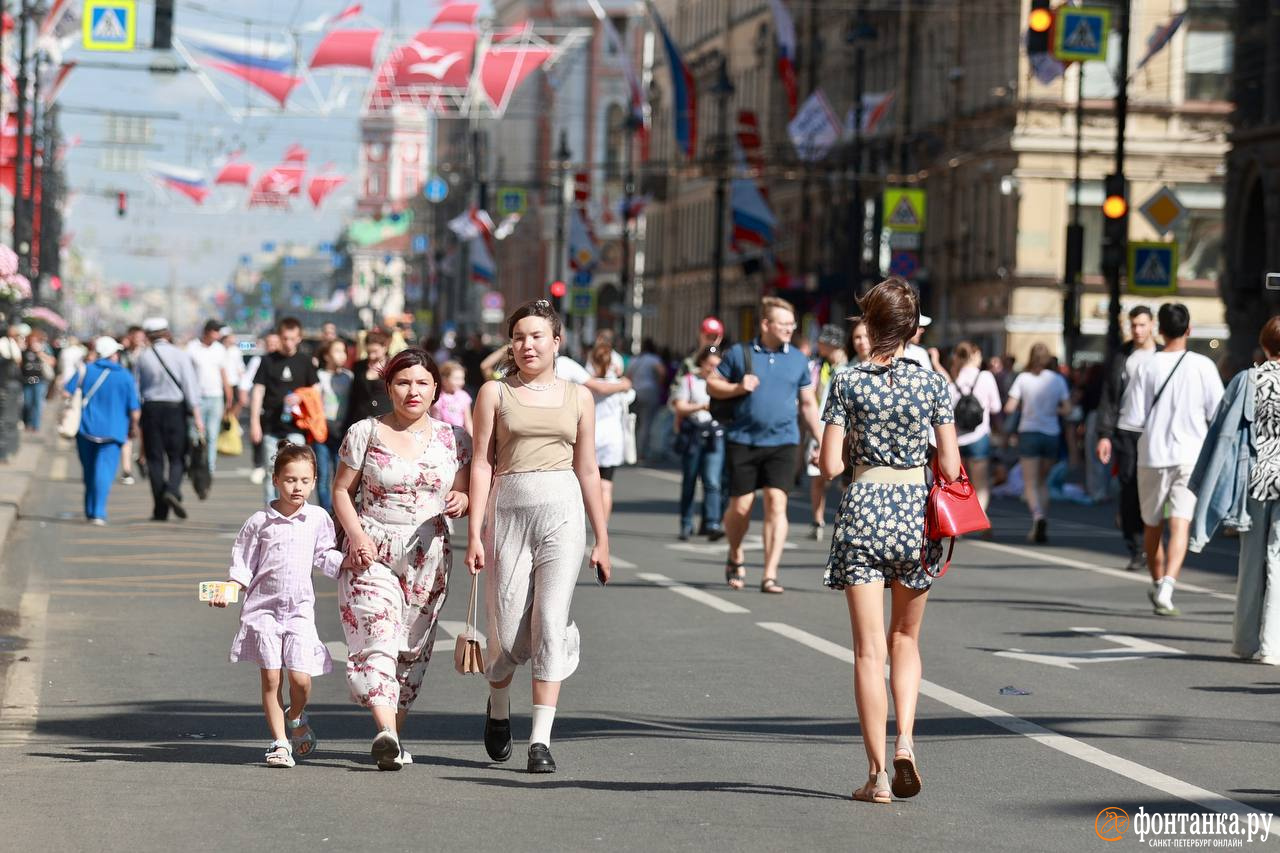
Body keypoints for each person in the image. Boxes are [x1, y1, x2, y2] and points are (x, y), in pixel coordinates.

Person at [817, 278, 960, 804]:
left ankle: (876, 777)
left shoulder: (849, 382)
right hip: (913, 517)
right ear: (911, 329)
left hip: (863, 513)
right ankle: (905, 744)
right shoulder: (932, 385)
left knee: (866, 650)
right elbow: (949, 463)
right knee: (906, 641)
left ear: (870, 325)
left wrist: (852, 448)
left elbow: (830, 464)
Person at [466, 299, 611, 774]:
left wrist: (602, 539)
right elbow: (483, 462)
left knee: (550, 620)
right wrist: (473, 532)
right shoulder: (494, 393)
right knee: (507, 631)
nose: (528, 345)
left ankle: (540, 740)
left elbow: (588, 468)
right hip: (508, 508)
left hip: (562, 511)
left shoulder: (579, 396)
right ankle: (500, 707)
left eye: (537, 336)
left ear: (556, 342)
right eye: (520, 337)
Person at [331, 348, 472, 770]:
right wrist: (355, 536)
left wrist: (461, 499)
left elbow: (465, 490)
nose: (413, 391)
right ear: (389, 387)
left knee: (412, 650)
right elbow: (341, 491)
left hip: (429, 555)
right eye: (403, 382)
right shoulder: (365, 433)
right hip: (371, 548)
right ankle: (386, 731)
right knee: (377, 635)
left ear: (436, 389)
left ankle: (393, 737)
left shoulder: (454, 439)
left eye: (422, 383)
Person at [209, 443, 342, 769]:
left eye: (305, 480)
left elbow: (325, 556)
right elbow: (242, 563)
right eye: (290, 479)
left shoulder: (317, 518)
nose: (297, 487)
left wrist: (353, 564)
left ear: (314, 482)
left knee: (301, 680)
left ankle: (295, 716)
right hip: (262, 611)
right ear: (275, 480)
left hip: (299, 611)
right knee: (271, 680)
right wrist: (230, 587)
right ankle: (280, 742)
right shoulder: (259, 522)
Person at [707, 296, 821, 594]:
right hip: (743, 440)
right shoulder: (739, 353)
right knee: (741, 508)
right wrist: (737, 387)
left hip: (783, 442)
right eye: (783, 324)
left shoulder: (798, 359)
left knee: (776, 502)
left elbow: (808, 403)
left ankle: (770, 574)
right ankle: (735, 554)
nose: (789, 328)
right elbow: (711, 384)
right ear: (765, 324)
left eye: (791, 324)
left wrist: (822, 439)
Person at [1119, 303, 1224, 617]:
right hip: (1190, 454)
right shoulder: (1204, 366)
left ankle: (1156, 580)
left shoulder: (1147, 367)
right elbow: (1217, 413)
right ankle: (1168, 585)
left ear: (1159, 330)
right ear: (1189, 330)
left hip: (1152, 454)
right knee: (1181, 523)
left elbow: (1133, 418)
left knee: (1153, 524)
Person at [1096, 306, 1160, 571]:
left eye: (1142, 325)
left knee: (1152, 491)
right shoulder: (1123, 355)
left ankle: (1153, 543)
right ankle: (1137, 548)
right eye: (1134, 325)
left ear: (1153, 325)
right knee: (1129, 488)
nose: (1137, 330)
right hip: (1126, 429)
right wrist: (1104, 436)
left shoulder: (1163, 355)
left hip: (1155, 432)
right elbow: (1109, 396)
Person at [134, 317, 204, 522]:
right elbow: (191, 388)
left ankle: (160, 510)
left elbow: (136, 390)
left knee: (155, 459)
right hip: (176, 410)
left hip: (151, 410)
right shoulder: (180, 355)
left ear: (148, 336)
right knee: (177, 456)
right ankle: (172, 490)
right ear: (167, 334)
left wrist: (136, 419)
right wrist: (198, 417)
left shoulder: (143, 357)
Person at [64, 337, 140, 524]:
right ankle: (98, 513)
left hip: (85, 429)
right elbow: (135, 409)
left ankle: (90, 509)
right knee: (104, 473)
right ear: (113, 354)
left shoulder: (85, 370)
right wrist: (134, 426)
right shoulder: (125, 376)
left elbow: (67, 391)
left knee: (89, 472)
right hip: (113, 432)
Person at [1004, 342, 1071, 543]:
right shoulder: (1057, 380)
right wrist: (1052, 410)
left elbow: (1009, 407)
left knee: (1030, 483)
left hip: (1029, 431)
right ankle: (1040, 522)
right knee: (1043, 482)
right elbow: (1067, 409)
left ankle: (1038, 517)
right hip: (1051, 433)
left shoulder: (1023, 379)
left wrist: (1027, 407)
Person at [250, 317, 320, 503]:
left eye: (292, 338)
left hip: (296, 427)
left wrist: (301, 396)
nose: (288, 342)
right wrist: (254, 422)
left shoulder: (305, 362)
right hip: (271, 426)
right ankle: (270, 513)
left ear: (299, 338)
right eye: (285, 338)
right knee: (271, 470)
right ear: (279, 337)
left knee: (296, 469)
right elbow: (258, 391)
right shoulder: (267, 361)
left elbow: (316, 391)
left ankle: (294, 509)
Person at [670, 346, 725, 541]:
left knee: (712, 481)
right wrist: (702, 406)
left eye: (717, 365)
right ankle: (686, 524)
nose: (713, 369)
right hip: (694, 432)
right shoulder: (690, 380)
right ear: (702, 363)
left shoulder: (723, 382)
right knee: (690, 480)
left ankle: (712, 523)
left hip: (714, 433)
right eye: (710, 364)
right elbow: (680, 406)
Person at [948, 341, 1003, 513]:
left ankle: (959, 522)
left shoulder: (952, 383)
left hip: (956, 440)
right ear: (975, 355)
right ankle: (979, 517)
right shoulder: (985, 377)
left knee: (958, 484)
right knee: (980, 484)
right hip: (979, 436)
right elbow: (996, 407)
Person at [807, 324, 849, 540]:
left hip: (844, 429)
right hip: (820, 425)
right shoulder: (819, 366)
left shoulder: (849, 369)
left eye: (822, 342)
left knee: (844, 479)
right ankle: (818, 519)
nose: (819, 344)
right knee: (818, 476)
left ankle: (843, 521)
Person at [586, 334, 634, 522]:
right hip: (613, 439)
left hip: (591, 438)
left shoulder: (586, 385)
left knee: (586, 485)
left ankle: (585, 522)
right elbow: (630, 393)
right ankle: (602, 527)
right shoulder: (621, 387)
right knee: (606, 487)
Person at [186, 320, 232, 475]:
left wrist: (229, 395)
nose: (218, 335)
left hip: (216, 396)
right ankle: (194, 463)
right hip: (197, 398)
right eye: (216, 331)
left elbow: (224, 373)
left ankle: (209, 467)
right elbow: (186, 374)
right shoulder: (192, 348)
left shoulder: (219, 349)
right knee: (195, 434)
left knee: (212, 434)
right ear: (207, 332)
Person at [315, 339, 353, 513]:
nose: (341, 355)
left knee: (340, 476)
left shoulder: (349, 376)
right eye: (336, 351)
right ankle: (326, 511)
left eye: (343, 351)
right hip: (322, 432)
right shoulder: (319, 376)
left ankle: (338, 512)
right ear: (326, 355)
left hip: (343, 432)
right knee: (322, 474)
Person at [243, 332, 281, 485]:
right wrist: (245, 395)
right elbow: (247, 381)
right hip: (261, 407)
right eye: (269, 343)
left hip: (279, 411)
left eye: (275, 343)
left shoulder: (285, 362)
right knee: (259, 437)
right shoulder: (259, 360)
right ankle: (259, 464)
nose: (272, 346)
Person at [342, 329, 392, 434]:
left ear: (385, 347)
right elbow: (354, 395)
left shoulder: (392, 367)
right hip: (361, 419)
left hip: (385, 420)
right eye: (369, 352)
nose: (371, 356)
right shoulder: (359, 366)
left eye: (375, 352)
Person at [626, 338, 668, 462]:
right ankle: (641, 452)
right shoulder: (654, 359)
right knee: (646, 423)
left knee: (635, 423)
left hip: (635, 392)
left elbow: (628, 376)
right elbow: (662, 372)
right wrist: (658, 384)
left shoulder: (634, 360)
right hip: (649, 392)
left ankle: (633, 451)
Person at [20, 329, 55, 431]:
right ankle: (27, 422)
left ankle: (35, 425)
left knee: (38, 403)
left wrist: (39, 352)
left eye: (35, 340)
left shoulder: (44, 349)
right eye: (31, 340)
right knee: (27, 403)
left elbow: (52, 362)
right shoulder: (24, 350)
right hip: (27, 380)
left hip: (40, 380)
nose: (33, 342)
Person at [431, 360, 474, 437]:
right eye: (456, 379)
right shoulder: (436, 396)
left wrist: (472, 438)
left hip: (458, 436)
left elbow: (468, 422)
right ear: (444, 380)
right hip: (439, 435)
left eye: (462, 378)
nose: (461, 382)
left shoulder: (463, 396)